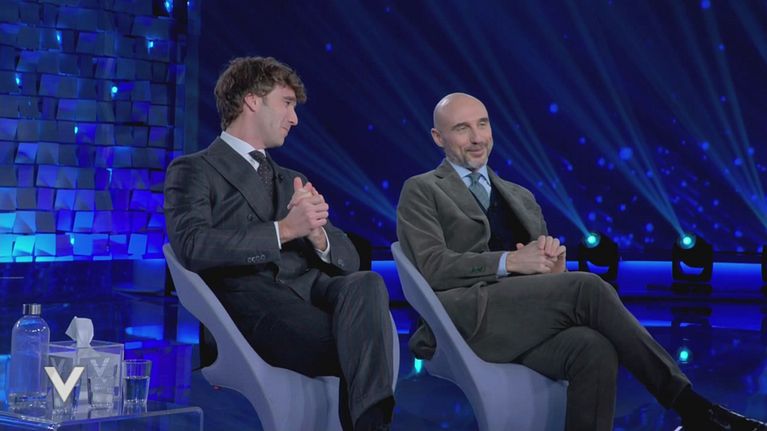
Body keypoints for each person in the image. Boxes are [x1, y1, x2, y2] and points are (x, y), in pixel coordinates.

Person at [396, 92, 767, 431]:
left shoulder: (520, 196)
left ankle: (690, 410)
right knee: (588, 287)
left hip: (524, 322)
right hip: (468, 323)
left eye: (483, 124)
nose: (478, 138)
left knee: (593, 348)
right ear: (438, 138)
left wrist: (553, 272)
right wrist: (511, 260)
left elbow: (539, 272)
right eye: (462, 128)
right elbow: (431, 267)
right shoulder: (422, 189)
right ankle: (691, 407)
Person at [164, 57, 395, 431]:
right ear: (252, 100)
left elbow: (350, 261)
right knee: (364, 346)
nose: (294, 118)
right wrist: (284, 230)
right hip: (257, 306)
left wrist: (317, 235)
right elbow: (192, 245)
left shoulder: (292, 179)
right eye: (286, 103)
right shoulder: (195, 170)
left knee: (367, 282)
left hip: (313, 294)